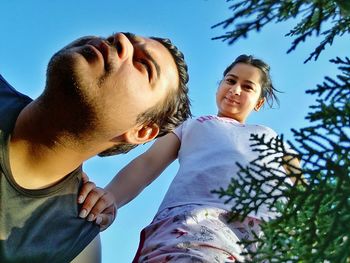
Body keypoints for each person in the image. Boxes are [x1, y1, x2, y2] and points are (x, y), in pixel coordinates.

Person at [78, 54, 300, 262]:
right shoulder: (192, 125)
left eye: (247, 87)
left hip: (271, 232)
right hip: (198, 221)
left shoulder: (270, 136)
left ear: (259, 102)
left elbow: (301, 185)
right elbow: (148, 163)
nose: (235, 89)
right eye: (230, 81)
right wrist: (111, 196)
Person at [0, 32, 191, 263]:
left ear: (141, 131)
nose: (120, 39)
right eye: (117, 38)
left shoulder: (73, 245)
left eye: (143, 64)